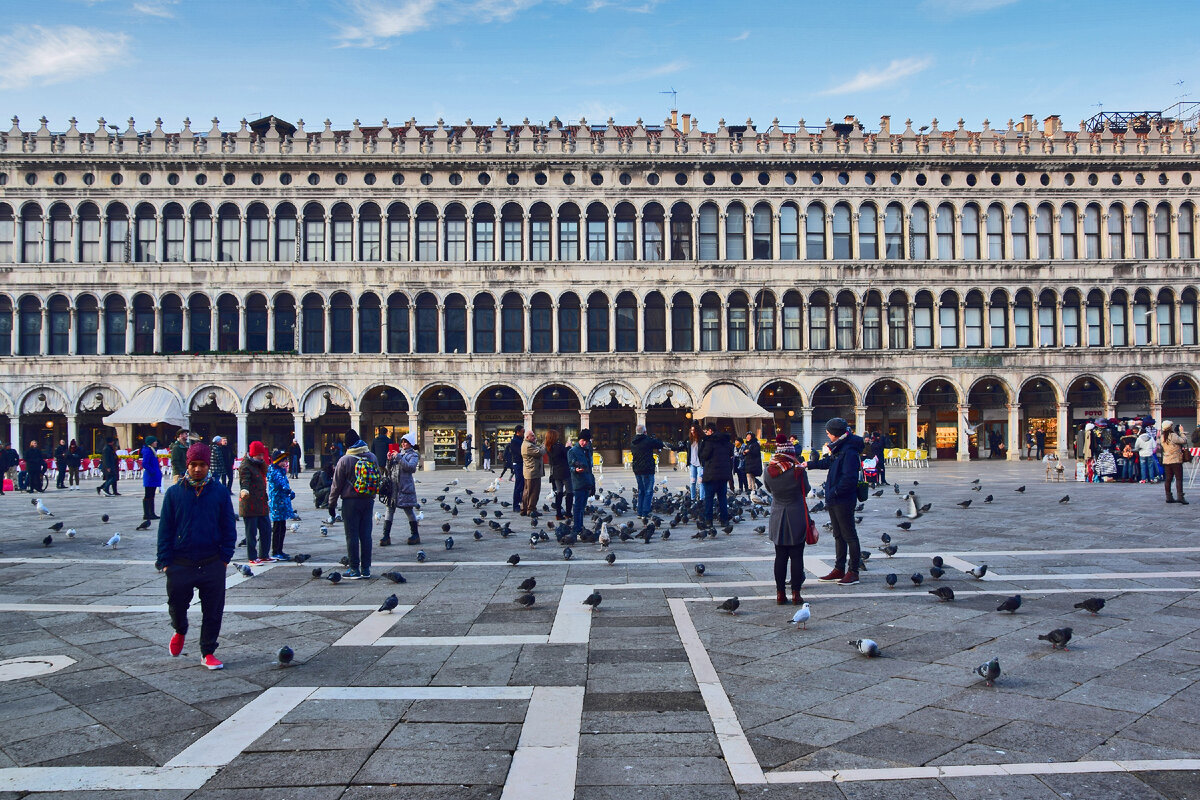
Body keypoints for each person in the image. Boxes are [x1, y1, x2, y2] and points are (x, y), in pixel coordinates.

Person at [155, 441, 236, 671]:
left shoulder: (219, 492)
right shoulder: (173, 493)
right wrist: (165, 562)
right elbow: (165, 530)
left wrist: (225, 557)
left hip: (212, 561)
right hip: (180, 562)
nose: (198, 469)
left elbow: (228, 526)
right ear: (187, 465)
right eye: (194, 465)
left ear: (208, 466)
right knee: (177, 604)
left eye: (202, 464)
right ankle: (180, 629)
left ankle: (207, 651)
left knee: (213, 610)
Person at [807, 417, 864, 586]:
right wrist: (808, 465)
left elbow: (849, 478)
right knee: (838, 535)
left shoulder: (850, 451)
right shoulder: (840, 448)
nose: (827, 435)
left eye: (829, 432)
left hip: (843, 499)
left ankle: (853, 572)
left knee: (849, 535)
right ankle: (839, 568)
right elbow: (829, 463)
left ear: (836, 434)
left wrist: (835, 492)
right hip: (835, 498)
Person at [765, 434, 812, 606]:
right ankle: (796, 594)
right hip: (796, 515)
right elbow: (806, 490)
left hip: (778, 516)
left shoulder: (768, 471)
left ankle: (780, 594)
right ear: (791, 453)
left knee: (780, 556)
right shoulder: (798, 470)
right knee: (797, 556)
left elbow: (769, 489)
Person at [329, 428, 379, 579]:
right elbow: (378, 477)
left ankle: (354, 569)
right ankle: (366, 569)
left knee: (352, 535)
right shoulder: (372, 457)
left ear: (347, 445)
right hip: (368, 500)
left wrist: (331, 504)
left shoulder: (344, 460)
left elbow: (336, 485)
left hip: (350, 502)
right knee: (366, 535)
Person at [381, 435, 421, 546]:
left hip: (404, 486)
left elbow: (411, 468)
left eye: (406, 442)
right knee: (389, 510)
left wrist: (399, 458)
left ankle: (415, 534)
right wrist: (389, 460)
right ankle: (386, 536)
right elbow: (388, 470)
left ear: (411, 443)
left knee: (408, 510)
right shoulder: (397, 453)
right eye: (402, 442)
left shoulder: (413, 455)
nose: (403, 444)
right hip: (393, 487)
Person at [239, 441, 271, 564]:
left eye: (262, 454)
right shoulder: (246, 466)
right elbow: (244, 480)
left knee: (266, 530)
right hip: (250, 504)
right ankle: (252, 557)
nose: (261, 457)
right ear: (252, 454)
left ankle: (264, 554)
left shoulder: (259, 464)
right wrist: (244, 490)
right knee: (251, 533)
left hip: (261, 503)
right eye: (259, 455)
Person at [698, 422, 734, 528]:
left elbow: (704, 455)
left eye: (706, 431)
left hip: (711, 475)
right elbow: (731, 454)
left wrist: (702, 443)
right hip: (723, 475)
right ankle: (724, 520)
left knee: (709, 498)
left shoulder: (709, 442)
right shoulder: (726, 442)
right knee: (722, 498)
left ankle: (709, 520)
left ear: (710, 431)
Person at [630, 424, 665, 518]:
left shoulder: (633, 441)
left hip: (637, 469)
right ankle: (645, 512)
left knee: (641, 490)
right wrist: (652, 438)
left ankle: (639, 512)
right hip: (647, 469)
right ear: (645, 432)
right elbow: (659, 444)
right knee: (648, 491)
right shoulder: (647, 441)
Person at [266, 449, 295, 559]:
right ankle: (276, 551)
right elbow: (281, 485)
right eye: (284, 460)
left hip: (282, 502)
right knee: (278, 528)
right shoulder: (275, 472)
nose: (286, 462)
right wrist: (289, 492)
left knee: (282, 527)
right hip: (277, 502)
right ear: (278, 461)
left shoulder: (280, 471)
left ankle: (280, 550)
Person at [567, 429, 595, 534]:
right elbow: (570, 466)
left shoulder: (587, 450)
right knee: (578, 506)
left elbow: (590, 466)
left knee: (583, 506)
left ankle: (580, 526)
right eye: (583, 440)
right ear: (579, 439)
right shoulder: (572, 451)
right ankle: (576, 527)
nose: (584, 443)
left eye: (586, 441)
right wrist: (576, 470)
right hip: (578, 482)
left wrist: (592, 482)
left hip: (587, 481)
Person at [1160, 421, 1189, 505]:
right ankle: (1180, 497)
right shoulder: (1173, 435)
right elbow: (1184, 441)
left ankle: (1168, 496)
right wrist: (1182, 432)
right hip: (1176, 460)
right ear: (1170, 427)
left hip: (1167, 460)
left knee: (1168, 479)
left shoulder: (1162, 436)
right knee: (1179, 478)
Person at [136, 436, 162, 530]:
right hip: (151, 477)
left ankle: (152, 513)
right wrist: (153, 471)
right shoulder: (148, 451)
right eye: (154, 441)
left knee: (151, 495)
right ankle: (147, 513)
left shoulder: (152, 450)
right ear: (151, 443)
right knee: (148, 495)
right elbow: (145, 463)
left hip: (153, 476)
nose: (156, 442)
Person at [546, 429, 572, 521]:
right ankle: (568, 513)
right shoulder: (558, 446)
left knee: (559, 492)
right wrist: (568, 447)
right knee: (569, 492)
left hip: (555, 473)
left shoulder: (549, 447)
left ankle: (558, 514)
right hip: (564, 471)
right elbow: (566, 455)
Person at [520, 430, 545, 515]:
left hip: (530, 471)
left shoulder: (528, 444)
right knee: (533, 492)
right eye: (533, 436)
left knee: (527, 491)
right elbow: (540, 452)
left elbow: (537, 449)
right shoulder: (528, 446)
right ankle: (531, 509)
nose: (535, 437)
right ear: (527, 437)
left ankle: (524, 509)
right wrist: (546, 444)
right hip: (533, 472)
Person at [507, 426, 526, 508]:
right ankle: (516, 505)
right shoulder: (514, 441)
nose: (523, 434)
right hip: (518, 464)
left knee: (522, 485)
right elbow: (520, 452)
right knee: (519, 484)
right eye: (523, 432)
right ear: (518, 432)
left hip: (522, 464)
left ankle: (522, 502)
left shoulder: (521, 440)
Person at [686, 426, 704, 501]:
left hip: (700, 463)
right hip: (692, 463)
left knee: (701, 481)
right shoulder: (689, 440)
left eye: (694, 430)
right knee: (692, 481)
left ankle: (702, 498)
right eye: (691, 430)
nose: (692, 432)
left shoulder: (702, 440)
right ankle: (693, 498)